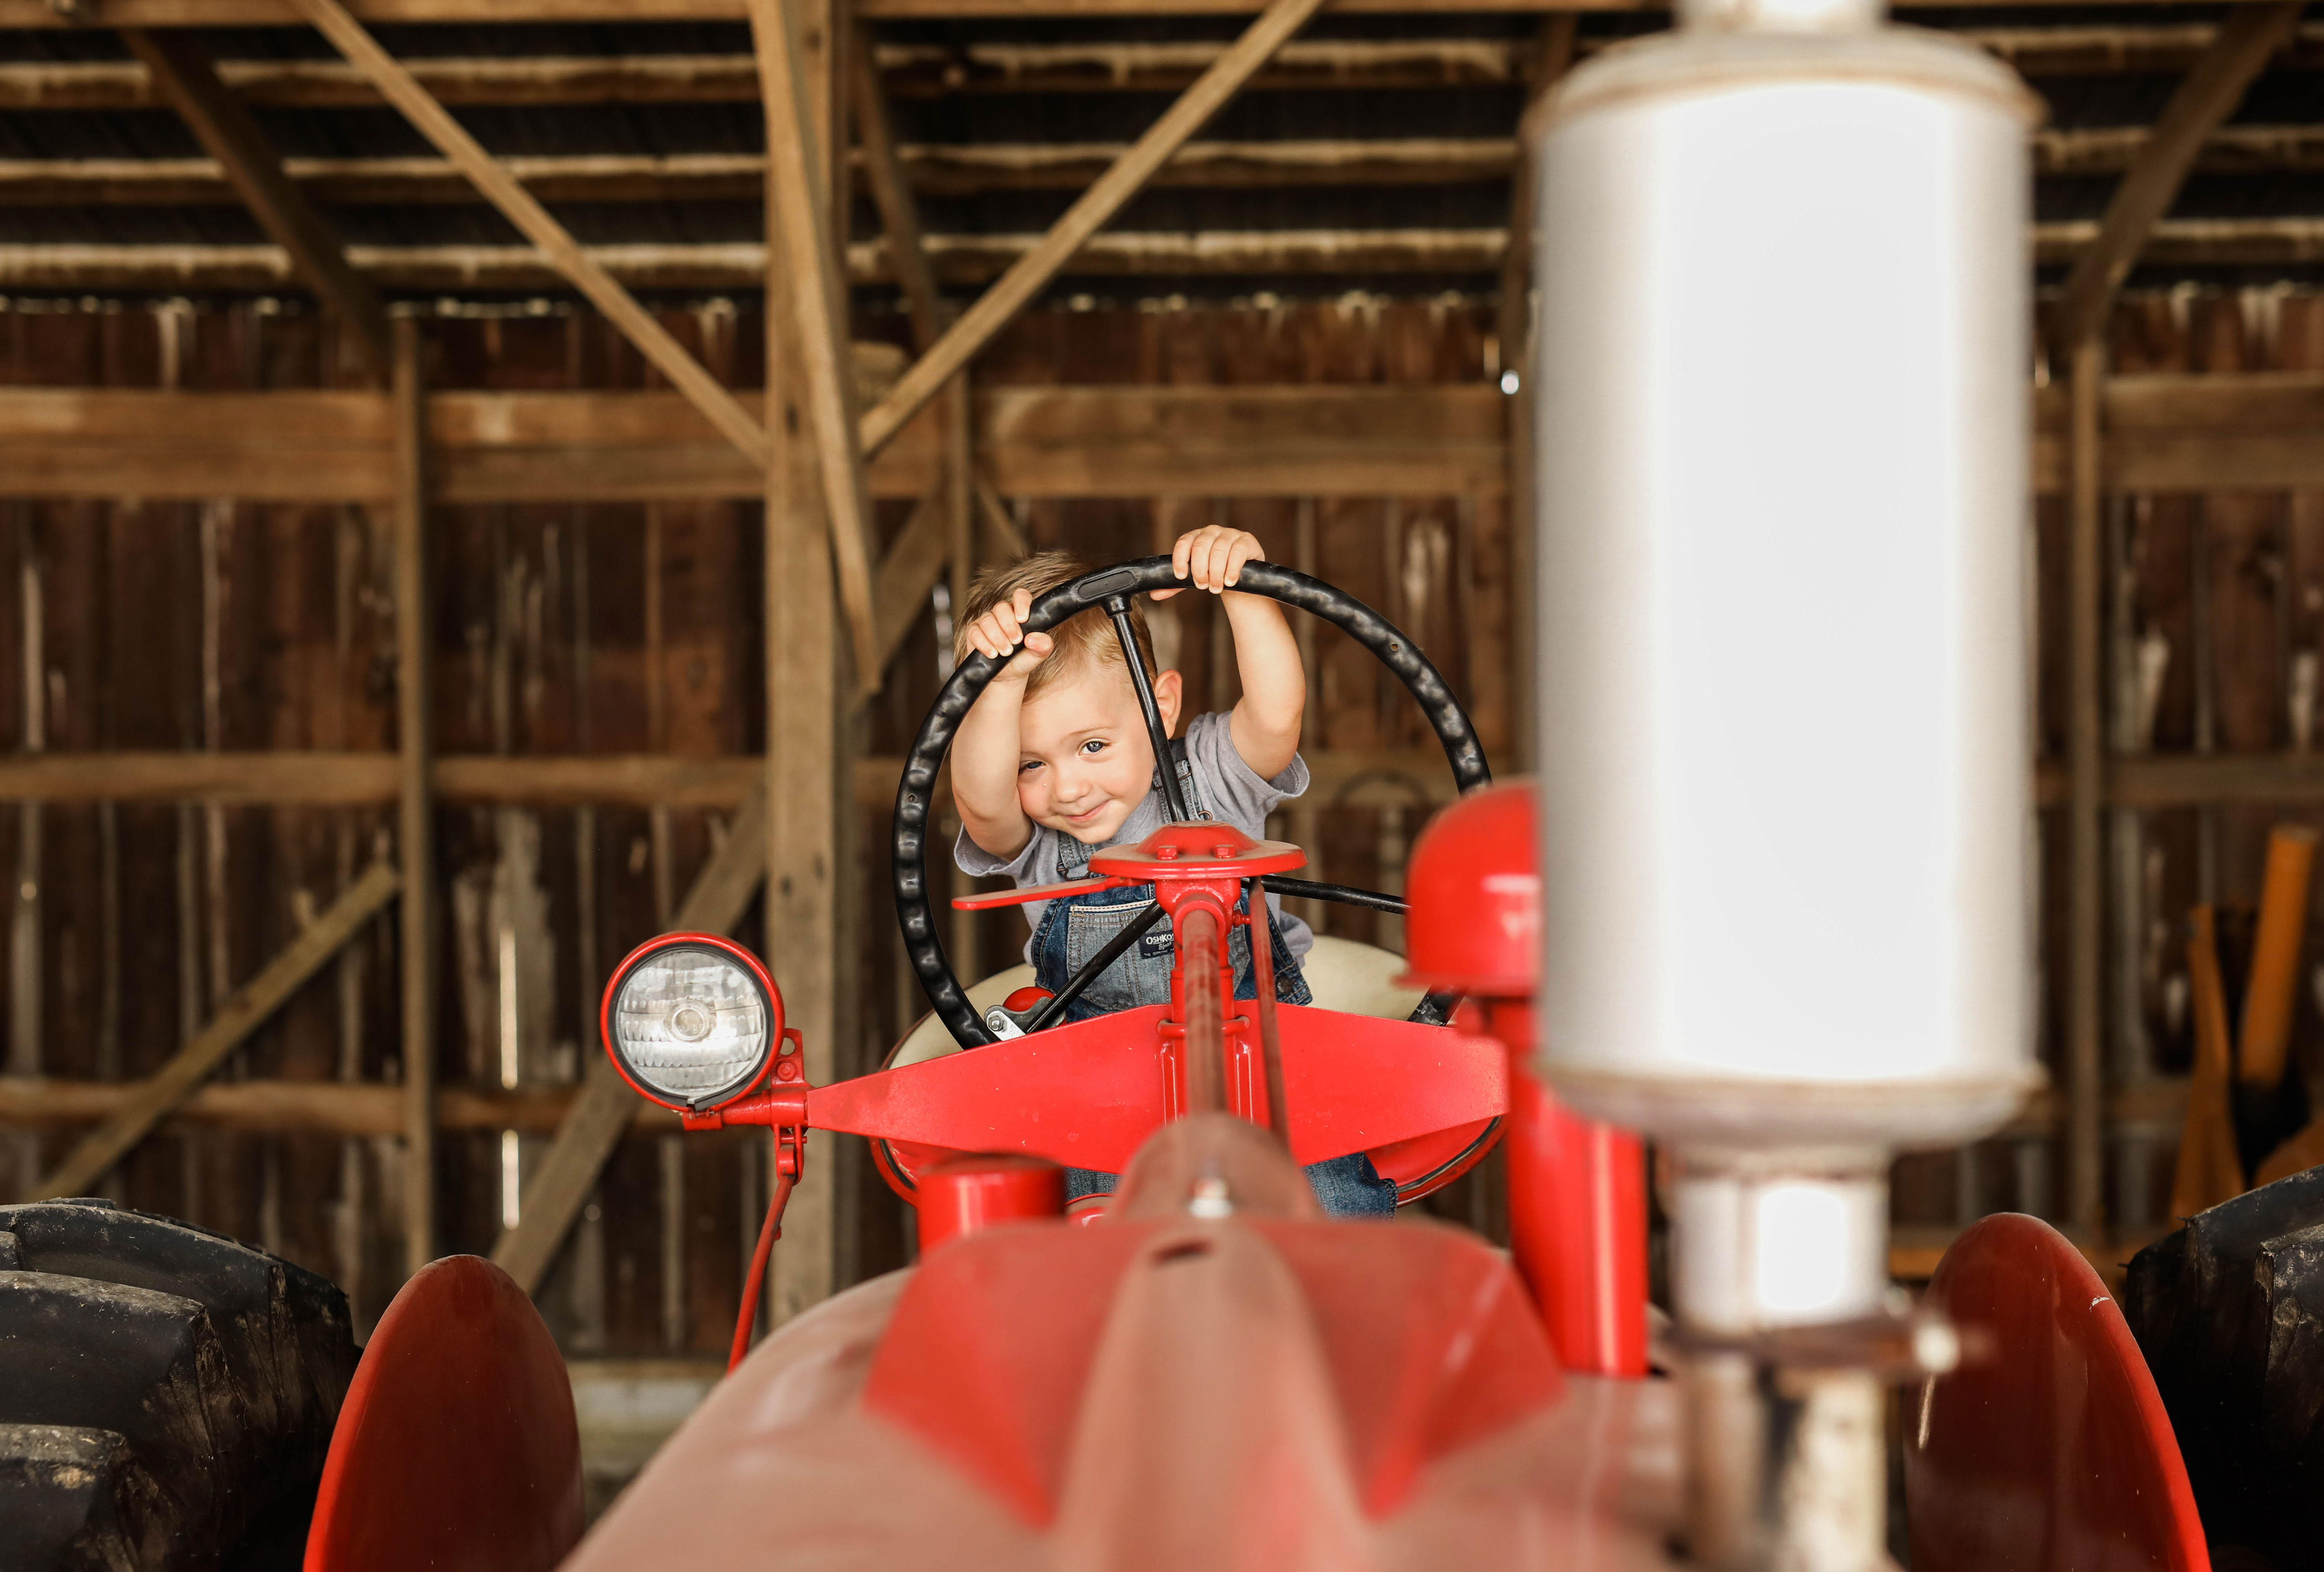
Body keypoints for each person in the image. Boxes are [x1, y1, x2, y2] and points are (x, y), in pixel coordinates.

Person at [951, 527, 1398, 1218]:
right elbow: (981, 800)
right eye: (1030, 763)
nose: (1067, 787)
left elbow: (1276, 715)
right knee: (1097, 1235)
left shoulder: (1213, 777)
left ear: (1160, 706)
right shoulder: (1037, 840)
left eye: (1092, 746)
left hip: (1262, 1066)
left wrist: (1243, 590)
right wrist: (997, 684)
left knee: (1327, 1216)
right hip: (1102, 1092)